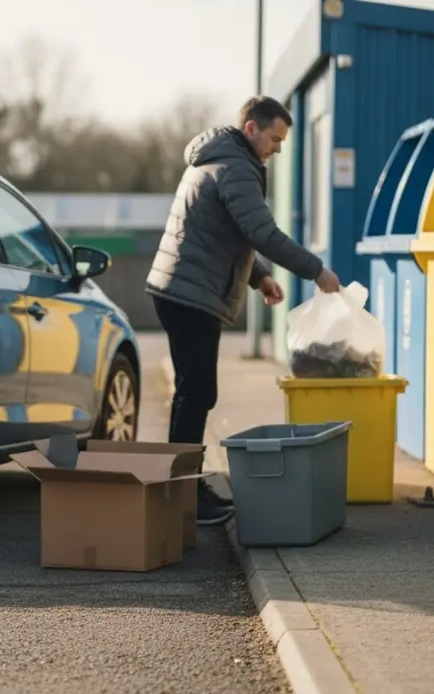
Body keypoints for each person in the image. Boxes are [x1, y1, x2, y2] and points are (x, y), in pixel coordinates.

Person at [146, 95, 341, 526]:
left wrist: (259, 276)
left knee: (194, 392)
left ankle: (183, 490)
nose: (277, 148)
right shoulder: (235, 167)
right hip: (189, 294)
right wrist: (315, 270)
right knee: (196, 393)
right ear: (251, 129)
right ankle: (182, 496)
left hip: (180, 289)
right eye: (274, 138)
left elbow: (229, 233)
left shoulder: (220, 160)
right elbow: (261, 231)